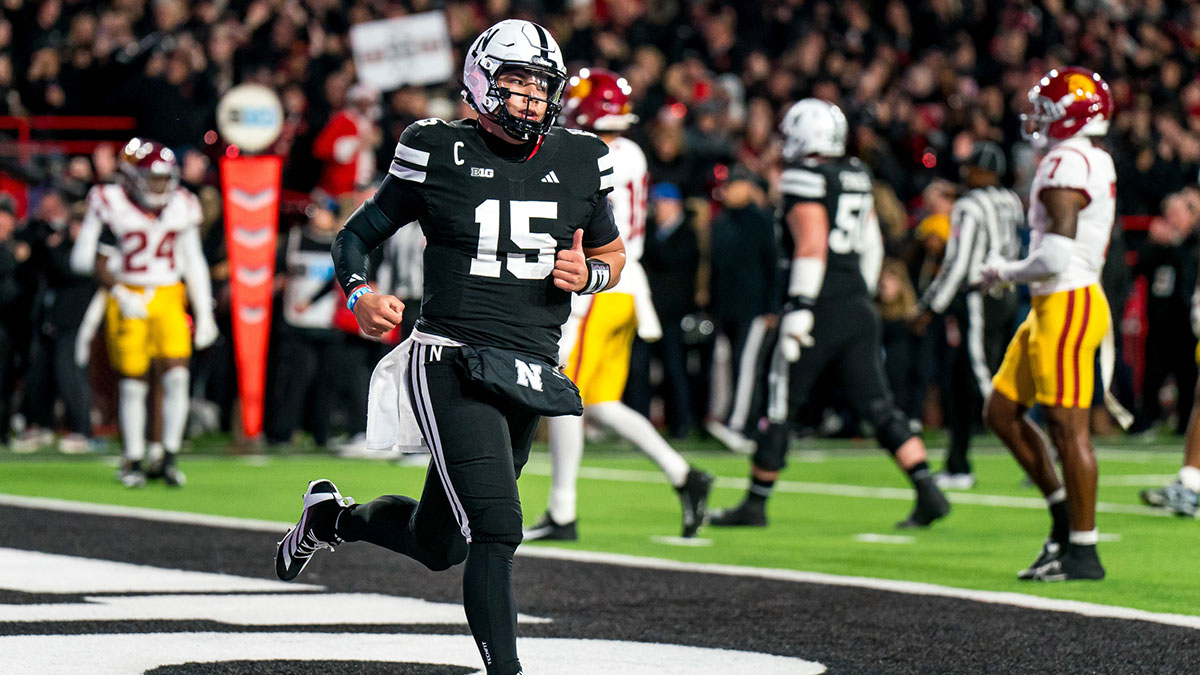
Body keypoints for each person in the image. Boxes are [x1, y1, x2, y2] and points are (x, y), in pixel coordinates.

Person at [274, 20, 625, 675]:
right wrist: (359, 294)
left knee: (440, 543)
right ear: (479, 83)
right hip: (451, 357)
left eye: (539, 85)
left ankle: (330, 519)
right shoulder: (436, 147)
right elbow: (354, 236)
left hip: (529, 367)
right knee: (497, 526)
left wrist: (593, 275)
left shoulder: (582, 157)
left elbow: (611, 253)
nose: (528, 98)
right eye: (514, 83)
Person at [709, 98, 950, 530]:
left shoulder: (805, 175)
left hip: (818, 303)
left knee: (781, 398)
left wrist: (801, 305)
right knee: (878, 406)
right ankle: (927, 488)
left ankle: (755, 503)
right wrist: (862, 288)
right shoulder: (856, 173)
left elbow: (812, 243)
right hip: (856, 300)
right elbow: (872, 241)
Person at [524, 67, 713, 543]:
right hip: (627, 288)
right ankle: (684, 474)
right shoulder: (632, 151)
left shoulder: (593, 153)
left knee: (564, 393)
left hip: (598, 288)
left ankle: (562, 510)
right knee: (601, 404)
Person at [979, 67, 1117, 581]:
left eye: (1047, 108)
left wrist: (1002, 270)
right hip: (1052, 303)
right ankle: (1063, 524)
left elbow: (1056, 253)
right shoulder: (1086, 157)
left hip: (1068, 300)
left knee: (1067, 429)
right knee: (1002, 412)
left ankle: (1083, 550)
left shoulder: (1066, 160)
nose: (1038, 118)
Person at [71, 138, 218, 487]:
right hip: (128, 296)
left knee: (178, 376)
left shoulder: (182, 203)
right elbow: (82, 259)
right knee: (133, 382)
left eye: (165, 178)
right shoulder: (109, 200)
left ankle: (168, 455)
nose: (160, 186)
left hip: (169, 294)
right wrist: (119, 290)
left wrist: (205, 313)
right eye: (153, 178)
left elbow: (193, 260)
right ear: (133, 177)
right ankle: (133, 458)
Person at [914, 141, 1024, 489]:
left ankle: (1040, 455)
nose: (964, 172)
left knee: (984, 386)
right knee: (963, 383)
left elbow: (957, 264)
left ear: (982, 171)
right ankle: (958, 462)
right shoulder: (1010, 200)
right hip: (1006, 294)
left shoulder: (969, 206)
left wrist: (929, 307)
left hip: (979, 298)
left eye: (971, 167)